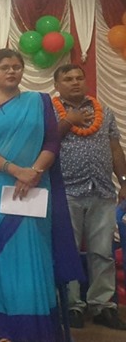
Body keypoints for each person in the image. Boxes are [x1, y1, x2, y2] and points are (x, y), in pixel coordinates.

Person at [0, 49, 82, 341]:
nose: (11, 72)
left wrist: (35, 171)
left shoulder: (39, 102)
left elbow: (52, 141)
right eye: (4, 67)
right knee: (5, 255)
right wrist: (16, 170)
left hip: (35, 186)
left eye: (17, 67)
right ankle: (8, 330)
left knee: (36, 253)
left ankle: (42, 330)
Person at [52, 64, 126, 330]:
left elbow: (115, 148)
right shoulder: (50, 111)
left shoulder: (103, 110)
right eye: (68, 79)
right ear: (57, 85)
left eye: (79, 78)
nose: (75, 82)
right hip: (67, 191)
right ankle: (72, 305)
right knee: (68, 250)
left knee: (103, 252)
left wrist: (124, 182)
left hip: (102, 190)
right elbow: (46, 142)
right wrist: (68, 121)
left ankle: (102, 305)